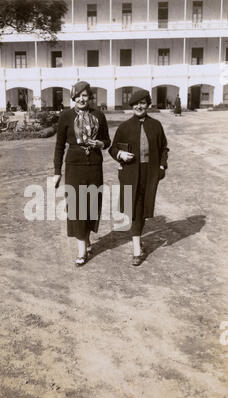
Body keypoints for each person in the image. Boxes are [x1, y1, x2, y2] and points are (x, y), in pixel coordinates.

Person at [109, 89, 169, 266]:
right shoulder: (124, 127)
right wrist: (120, 154)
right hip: (130, 172)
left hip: (149, 173)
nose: (139, 106)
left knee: (143, 208)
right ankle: (136, 248)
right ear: (132, 106)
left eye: (142, 103)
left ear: (147, 104)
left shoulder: (156, 125)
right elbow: (112, 149)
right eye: (135, 103)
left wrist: (161, 165)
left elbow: (164, 148)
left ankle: (137, 240)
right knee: (134, 207)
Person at [54, 81, 111, 266]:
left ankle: (86, 240)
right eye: (77, 95)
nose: (81, 98)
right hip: (74, 167)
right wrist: (57, 172)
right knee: (78, 207)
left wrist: (101, 144)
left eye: (85, 95)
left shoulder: (99, 115)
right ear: (73, 97)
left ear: (90, 97)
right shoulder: (66, 116)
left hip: (94, 166)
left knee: (91, 205)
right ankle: (81, 250)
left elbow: (107, 141)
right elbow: (59, 146)